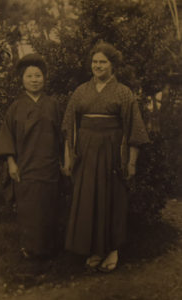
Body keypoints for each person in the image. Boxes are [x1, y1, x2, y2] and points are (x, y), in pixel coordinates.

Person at [62, 42, 149, 272]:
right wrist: (69, 158)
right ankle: (94, 250)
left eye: (103, 62)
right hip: (86, 152)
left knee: (112, 199)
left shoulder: (123, 92)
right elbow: (69, 127)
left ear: (113, 65)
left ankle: (112, 250)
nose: (97, 66)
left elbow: (135, 130)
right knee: (89, 198)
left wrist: (131, 162)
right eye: (94, 62)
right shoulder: (81, 91)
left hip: (113, 152)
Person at [0, 53, 60, 272]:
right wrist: (11, 163)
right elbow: (7, 137)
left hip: (49, 166)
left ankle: (48, 251)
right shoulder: (15, 108)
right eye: (30, 76)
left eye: (38, 76)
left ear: (44, 78)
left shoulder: (53, 105)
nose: (34, 80)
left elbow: (64, 136)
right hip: (25, 167)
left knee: (49, 208)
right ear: (22, 79)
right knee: (29, 209)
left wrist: (64, 159)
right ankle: (29, 251)